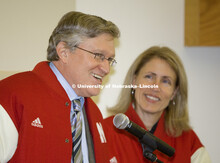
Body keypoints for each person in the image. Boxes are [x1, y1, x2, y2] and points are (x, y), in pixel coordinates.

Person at [0, 11, 120, 163]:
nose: (106, 69)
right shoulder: (11, 94)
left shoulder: (94, 113)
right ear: (64, 52)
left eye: (109, 59)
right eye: (98, 55)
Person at [103, 46, 211, 163]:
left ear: (174, 92)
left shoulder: (189, 142)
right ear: (134, 81)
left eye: (165, 81)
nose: (155, 87)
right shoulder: (104, 131)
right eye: (149, 77)